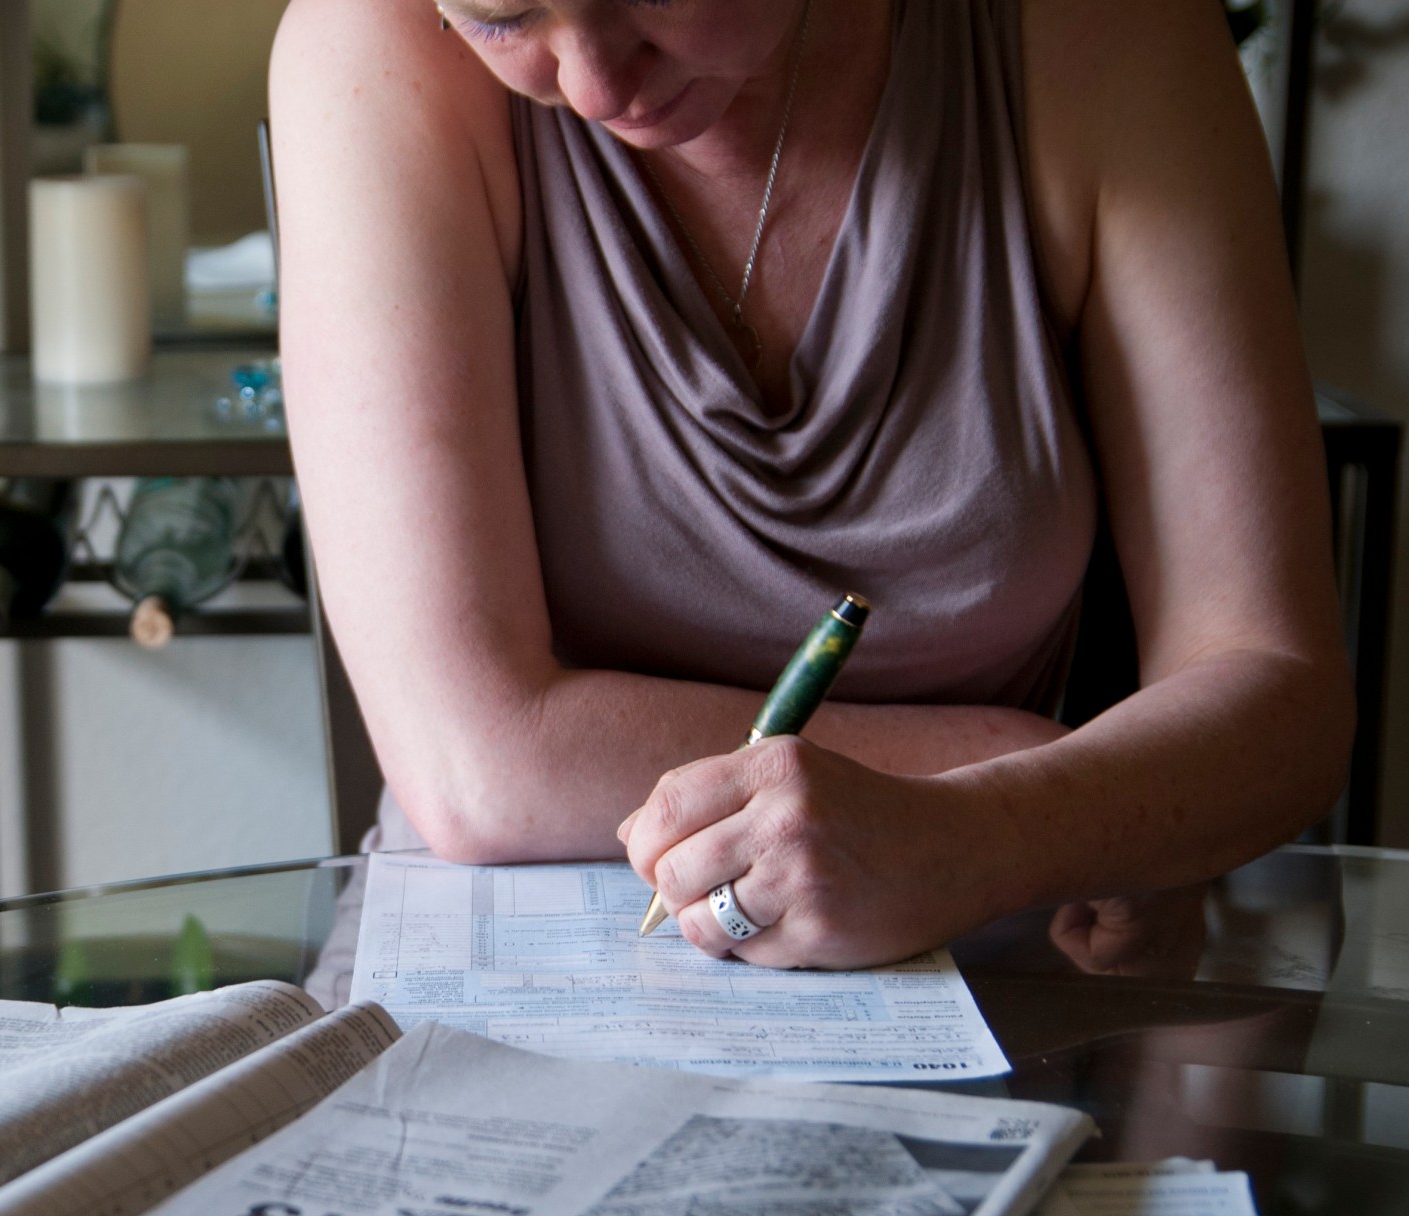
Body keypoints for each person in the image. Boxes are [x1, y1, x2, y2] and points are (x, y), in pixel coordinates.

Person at [270, 0, 1353, 970]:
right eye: (504, 16)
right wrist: (1022, 776)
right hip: (506, 974)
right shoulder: (372, 50)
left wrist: (988, 837)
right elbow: (477, 766)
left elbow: (1278, 686)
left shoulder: (1098, 37)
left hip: (971, 959)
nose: (594, 86)